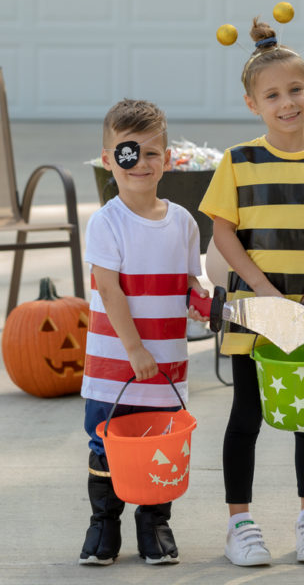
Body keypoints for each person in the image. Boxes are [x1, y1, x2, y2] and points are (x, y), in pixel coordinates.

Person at [199, 18, 304, 566]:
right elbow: (222, 229)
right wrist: (262, 288)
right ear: (253, 104)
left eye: (296, 89)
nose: (286, 102)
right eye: (272, 95)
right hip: (255, 310)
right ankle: (239, 525)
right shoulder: (239, 162)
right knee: (247, 415)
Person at [79, 98, 209, 566]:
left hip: (166, 366)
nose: (141, 163)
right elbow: (109, 291)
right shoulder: (106, 222)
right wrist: (133, 348)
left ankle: (154, 523)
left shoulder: (184, 223)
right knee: (106, 441)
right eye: (128, 152)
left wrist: (200, 301)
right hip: (116, 363)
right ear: (110, 159)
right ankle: (104, 524)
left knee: (159, 445)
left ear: (168, 160)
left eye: (152, 153)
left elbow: (188, 283)